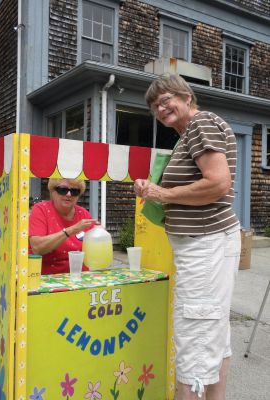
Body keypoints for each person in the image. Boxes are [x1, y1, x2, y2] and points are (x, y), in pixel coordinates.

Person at [134, 74, 241, 400]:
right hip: (205, 245)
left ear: (186, 96)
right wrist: (155, 192)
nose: (160, 107)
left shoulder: (201, 124)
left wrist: (162, 194)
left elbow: (218, 183)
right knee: (213, 333)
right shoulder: (189, 135)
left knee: (195, 335)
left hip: (205, 245)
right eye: (155, 105)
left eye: (165, 99)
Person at [29, 178, 97, 275]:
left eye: (74, 191)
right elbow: (37, 247)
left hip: (79, 278)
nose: (68, 194)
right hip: (48, 279)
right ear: (52, 191)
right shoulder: (41, 210)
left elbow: (95, 253)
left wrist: (100, 235)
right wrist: (70, 230)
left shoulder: (83, 213)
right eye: (63, 190)